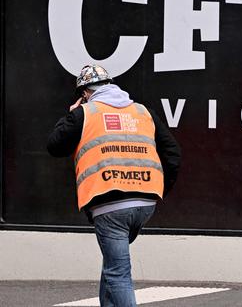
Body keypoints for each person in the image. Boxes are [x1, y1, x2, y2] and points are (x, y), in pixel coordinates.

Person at [47, 64, 181, 307]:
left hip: (110, 206)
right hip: (144, 203)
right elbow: (173, 153)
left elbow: (55, 146)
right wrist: (156, 190)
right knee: (113, 265)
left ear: (85, 93)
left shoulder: (84, 113)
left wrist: (71, 114)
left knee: (118, 273)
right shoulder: (143, 112)